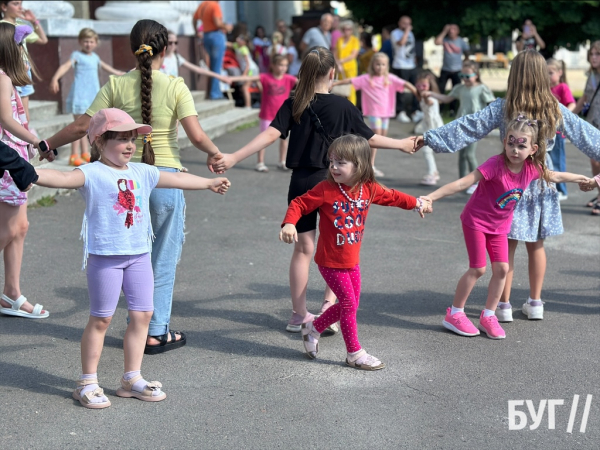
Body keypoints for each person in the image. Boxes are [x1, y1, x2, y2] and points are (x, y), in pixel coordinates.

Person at [44, 19, 225, 354]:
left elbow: (83, 126)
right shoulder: (174, 86)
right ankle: (153, 331)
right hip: (165, 177)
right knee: (162, 258)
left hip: (125, 178)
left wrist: (46, 145)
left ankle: (131, 326)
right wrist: (214, 154)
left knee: (129, 254)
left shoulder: (116, 84)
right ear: (167, 47)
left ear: (131, 48)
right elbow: (196, 136)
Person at [212, 47, 419, 333]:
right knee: (336, 245)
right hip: (333, 181)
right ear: (333, 73)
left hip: (301, 180)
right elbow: (369, 138)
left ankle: (298, 315)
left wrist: (234, 157)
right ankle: (328, 307)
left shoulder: (294, 102)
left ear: (305, 73)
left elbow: (271, 134)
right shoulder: (344, 106)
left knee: (303, 249)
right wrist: (402, 143)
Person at [34, 109, 230, 409]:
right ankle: (87, 382)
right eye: (121, 139)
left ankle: (131, 379)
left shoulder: (141, 171)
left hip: (139, 256)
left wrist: (208, 183)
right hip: (106, 258)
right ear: (100, 141)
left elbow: (174, 179)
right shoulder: (92, 173)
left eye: (132, 139)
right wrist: (28, 173)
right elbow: (61, 176)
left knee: (143, 316)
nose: (129, 145)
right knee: (101, 319)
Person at [414, 50, 600, 323]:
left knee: (507, 245)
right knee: (537, 245)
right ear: (540, 75)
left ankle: (503, 306)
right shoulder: (553, 107)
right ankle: (535, 303)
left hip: (509, 183)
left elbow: (469, 126)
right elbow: (588, 136)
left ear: (514, 75)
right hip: (540, 180)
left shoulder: (504, 107)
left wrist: (430, 138)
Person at [424, 114, 588, 339]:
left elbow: (554, 175)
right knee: (479, 268)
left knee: (502, 269)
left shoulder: (531, 168)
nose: (515, 149)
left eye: (521, 145)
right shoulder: (495, 165)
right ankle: (455, 313)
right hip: (476, 222)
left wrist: (582, 178)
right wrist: (431, 197)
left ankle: (489, 315)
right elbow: (464, 182)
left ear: (533, 149)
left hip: (500, 227)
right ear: (504, 142)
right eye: (511, 142)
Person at [280, 134, 429, 369]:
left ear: (359, 165)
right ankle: (354, 354)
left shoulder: (367, 188)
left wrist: (417, 203)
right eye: (331, 161)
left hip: (352, 260)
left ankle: (313, 328)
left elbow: (393, 197)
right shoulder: (326, 188)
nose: (334, 167)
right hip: (329, 261)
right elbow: (300, 203)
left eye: (341, 162)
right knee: (349, 305)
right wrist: (289, 223)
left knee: (351, 305)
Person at [0, 23, 50, 320]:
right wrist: (35, 140)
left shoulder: (7, 79)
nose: (23, 52)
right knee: (9, 229)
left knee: (20, 228)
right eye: (20, 46)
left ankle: (11, 293)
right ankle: (11, 294)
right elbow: (6, 120)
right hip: (7, 162)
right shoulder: (2, 78)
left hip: (14, 157)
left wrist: (29, 143)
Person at [333, 52, 417, 177]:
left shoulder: (390, 79)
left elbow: (405, 84)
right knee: (375, 136)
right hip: (373, 112)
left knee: (381, 137)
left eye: (383, 64)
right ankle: (370, 165)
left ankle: (363, 157)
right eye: (378, 64)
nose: (380, 67)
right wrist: (334, 83)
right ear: (373, 65)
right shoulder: (366, 78)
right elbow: (350, 80)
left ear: (387, 66)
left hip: (385, 113)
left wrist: (416, 93)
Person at [50, 28, 124, 167]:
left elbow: (106, 67)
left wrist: (119, 73)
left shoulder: (95, 57)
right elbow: (65, 66)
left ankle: (84, 153)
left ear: (96, 43)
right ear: (80, 42)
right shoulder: (77, 55)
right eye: (85, 41)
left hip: (92, 95)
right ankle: (73, 155)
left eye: (91, 42)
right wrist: (55, 78)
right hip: (80, 95)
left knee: (88, 126)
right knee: (78, 125)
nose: (88, 44)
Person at [423, 60, 495, 193]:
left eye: (468, 76)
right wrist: (432, 94)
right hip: (461, 125)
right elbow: (446, 99)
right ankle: (462, 182)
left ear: (476, 75)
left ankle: (477, 182)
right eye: (462, 76)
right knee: (461, 155)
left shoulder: (482, 88)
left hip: (476, 126)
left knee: (469, 154)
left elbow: (492, 104)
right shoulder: (459, 88)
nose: (465, 79)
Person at [228, 54, 297, 172]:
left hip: (283, 116)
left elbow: (306, 84)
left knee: (284, 140)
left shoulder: (289, 79)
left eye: (285, 65)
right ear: (273, 66)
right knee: (263, 140)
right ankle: (260, 162)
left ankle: (282, 161)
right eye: (280, 65)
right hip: (267, 115)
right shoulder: (265, 77)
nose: (283, 68)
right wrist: (232, 79)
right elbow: (248, 79)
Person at [0, 0, 47, 121]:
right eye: (15, 4)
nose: (20, 7)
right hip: (10, 68)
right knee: (12, 111)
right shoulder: (3, 26)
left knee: (25, 115)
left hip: (25, 68)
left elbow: (43, 40)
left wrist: (33, 21)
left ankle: (24, 136)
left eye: (21, 3)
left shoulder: (21, 25)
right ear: (4, 6)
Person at [574, 41, 600, 215]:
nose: (593, 57)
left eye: (597, 54)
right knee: (594, 160)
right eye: (591, 54)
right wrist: (569, 117)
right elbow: (584, 98)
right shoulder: (591, 75)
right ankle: (599, 194)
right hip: (593, 122)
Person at [546, 58, 575, 201]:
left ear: (560, 72)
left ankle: (562, 190)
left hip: (557, 133)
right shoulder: (545, 89)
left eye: (550, 73)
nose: (548, 76)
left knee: (557, 162)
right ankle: (552, 188)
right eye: (545, 73)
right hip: (546, 132)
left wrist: (562, 117)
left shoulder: (562, 87)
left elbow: (572, 104)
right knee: (547, 162)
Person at [160, 30, 230, 84]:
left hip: (172, 91)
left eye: (175, 43)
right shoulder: (159, 58)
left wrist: (220, 77)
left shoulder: (177, 57)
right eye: (170, 42)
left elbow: (198, 69)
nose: (173, 45)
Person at [193, 1, 227, 100]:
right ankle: (215, 93)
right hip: (216, 35)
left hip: (206, 36)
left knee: (212, 66)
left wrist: (196, 30)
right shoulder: (215, 5)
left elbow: (194, 19)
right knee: (217, 66)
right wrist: (226, 27)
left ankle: (213, 91)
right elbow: (217, 22)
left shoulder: (203, 4)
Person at [413, 70, 442, 186]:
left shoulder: (430, 98)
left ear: (430, 85)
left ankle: (433, 173)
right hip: (428, 127)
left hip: (434, 128)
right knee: (427, 152)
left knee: (427, 151)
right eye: (418, 85)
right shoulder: (422, 97)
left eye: (424, 85)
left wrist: (425, 97)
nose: (421, 88)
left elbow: (429, 103)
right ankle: (433, 172)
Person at [391, 15, 420, 123]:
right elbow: (401, 43)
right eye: (404, 23)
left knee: (416, 89)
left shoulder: (411, 33)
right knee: (401, 90)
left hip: (411, 65)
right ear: (399, 23)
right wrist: (407, 31)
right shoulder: (395, 33)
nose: (407, 25)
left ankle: (415, 111)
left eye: (409, 23)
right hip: (400, 65)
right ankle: (400, 112)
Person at [434, 24, 469, 114]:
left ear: (458, 31)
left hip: (457, 70)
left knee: (456, 90)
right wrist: (444, 31)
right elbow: (436, 42)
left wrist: (464, 65)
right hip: (445, 69)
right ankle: (440, 109)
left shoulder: (461, 41)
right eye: (450, 29)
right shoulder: (445, 40)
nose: (451, 31)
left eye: (454, 29)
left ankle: (452, 109)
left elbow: (467, 54)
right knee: (441, 89)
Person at [227, 34, 260, 108]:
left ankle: (248, 106)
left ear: (244, 42)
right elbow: (228, 44)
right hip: (251, 69)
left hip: (251, 70)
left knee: (245, 87)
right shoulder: (237, 46)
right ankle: (262, 101)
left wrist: (244, 75)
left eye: (241, 38)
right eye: (239, 37)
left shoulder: (244, 49)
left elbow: (248, 64)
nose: (238, 38)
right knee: (258, 85)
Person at [334, 20, 360, 105]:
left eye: (349, 29)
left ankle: (352, 109)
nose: (346, 31)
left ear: (352, 30)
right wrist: (337, 63)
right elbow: (335, 53)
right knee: (340, 89)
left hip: (350, 68)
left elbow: (353, 55)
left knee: (351, 89)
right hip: (340, 68)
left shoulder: (355, 40)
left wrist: (340, 61)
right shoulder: (339, 40)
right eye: (344, 29)